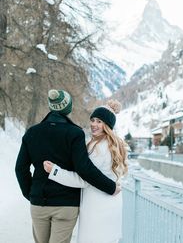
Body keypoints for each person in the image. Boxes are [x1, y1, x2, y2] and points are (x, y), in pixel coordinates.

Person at [15, 89, 120, 243]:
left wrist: (31, 194)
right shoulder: (75, 133)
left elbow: (20, 168)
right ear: (67, 108)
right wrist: (110, 187)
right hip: (66, 204)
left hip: (39, 202)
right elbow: (84, 169)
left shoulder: (32, 132)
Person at [43, 99, 128, 243]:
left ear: (107, 125)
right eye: (93, 120)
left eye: (99, 121)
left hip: (97, 207)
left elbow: (85, 179)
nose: (94, 124)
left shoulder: (100, 148)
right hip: (108, 206)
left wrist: (55, 171)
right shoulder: (110, 144)